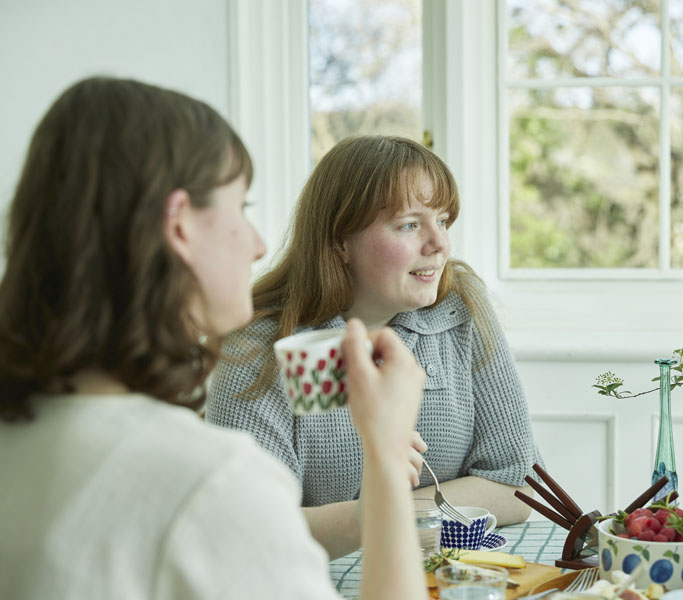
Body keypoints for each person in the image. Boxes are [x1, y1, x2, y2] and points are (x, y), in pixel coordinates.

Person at [0, 77, 427, 600]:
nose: (260, 245)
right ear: (179, 226)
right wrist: (384, 451)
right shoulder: (212, 484)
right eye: (241, 208)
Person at [206, 135, 540, 559]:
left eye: (442, 220)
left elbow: (517, 485)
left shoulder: (460, 307)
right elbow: (249, 526)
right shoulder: (261, 346)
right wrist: (382, 508)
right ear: (340, 241)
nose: (439, 244)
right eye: (409, 224)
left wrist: (381, 512)